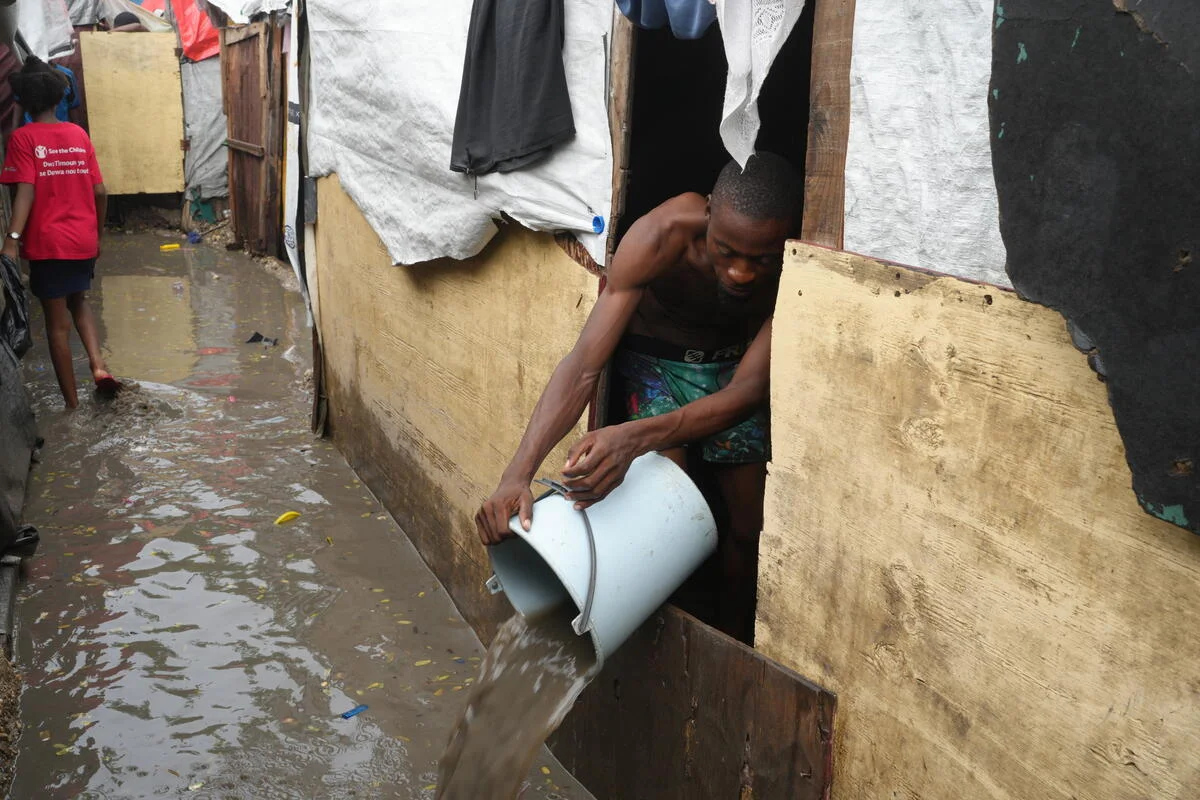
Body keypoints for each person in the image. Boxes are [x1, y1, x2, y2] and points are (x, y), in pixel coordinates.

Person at [476, 153, 801, 642]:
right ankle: (653, 640)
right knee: (662, 519)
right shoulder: (662, 234)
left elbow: (746, 393)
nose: (740, 274)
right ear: (707, 215)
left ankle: (734, 641)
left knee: (748, 529)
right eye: (726, 251)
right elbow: (584, 364)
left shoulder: (800, 265)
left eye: (760, 260)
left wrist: (632, 439)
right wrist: (516, 474)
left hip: (736, 369)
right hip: (655, 365)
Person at [1, 57, 118, 409]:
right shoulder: (78, 135)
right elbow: (100, 192)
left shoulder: (23, 139)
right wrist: (96, 236)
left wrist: (11, 240)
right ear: (58, 97)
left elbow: (26, 190)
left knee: (56, 325)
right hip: (83, 239)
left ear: (21, 100)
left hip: (48, 243)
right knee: (79, 301)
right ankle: (99, 367)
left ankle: (72, 406)